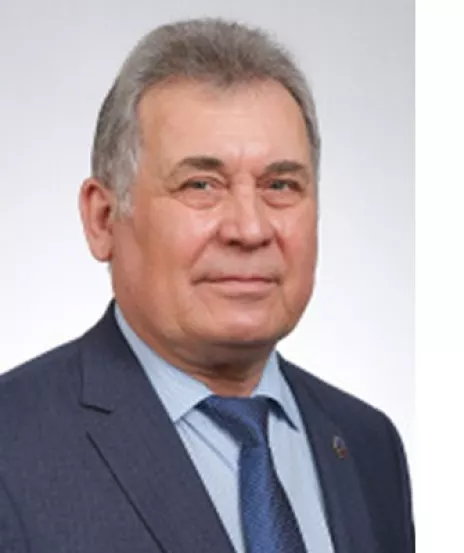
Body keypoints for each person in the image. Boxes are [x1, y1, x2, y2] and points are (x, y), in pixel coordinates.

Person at [0, 17, 413, 553]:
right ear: (103, 219)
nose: (250, 228)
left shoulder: (368, 445)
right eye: (201, 184)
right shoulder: (12, 445)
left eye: (280, 185)